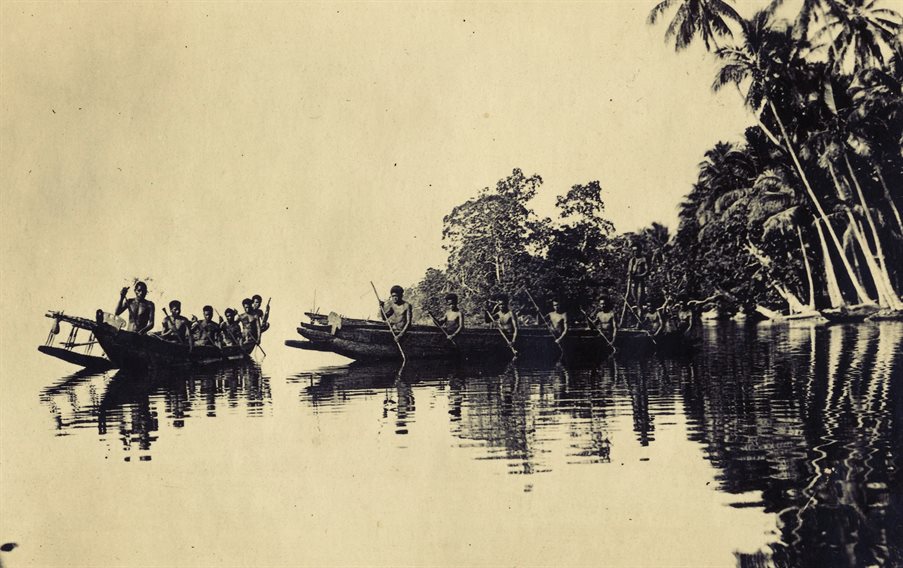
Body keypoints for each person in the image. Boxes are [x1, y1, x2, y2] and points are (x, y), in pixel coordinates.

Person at [627, 244, 649, 316]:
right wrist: (630, 275)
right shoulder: (632, 260)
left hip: (640, 282)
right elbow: (629, 271)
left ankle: (640, 319)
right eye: (633, 251)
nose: (635, 252)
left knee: (639, 302)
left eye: (636, 250)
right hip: (633, 282)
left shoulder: (643, 259)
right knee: (635, 301)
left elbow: (647, 271)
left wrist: (639, 276)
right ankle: (638, 318)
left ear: (640, 251)